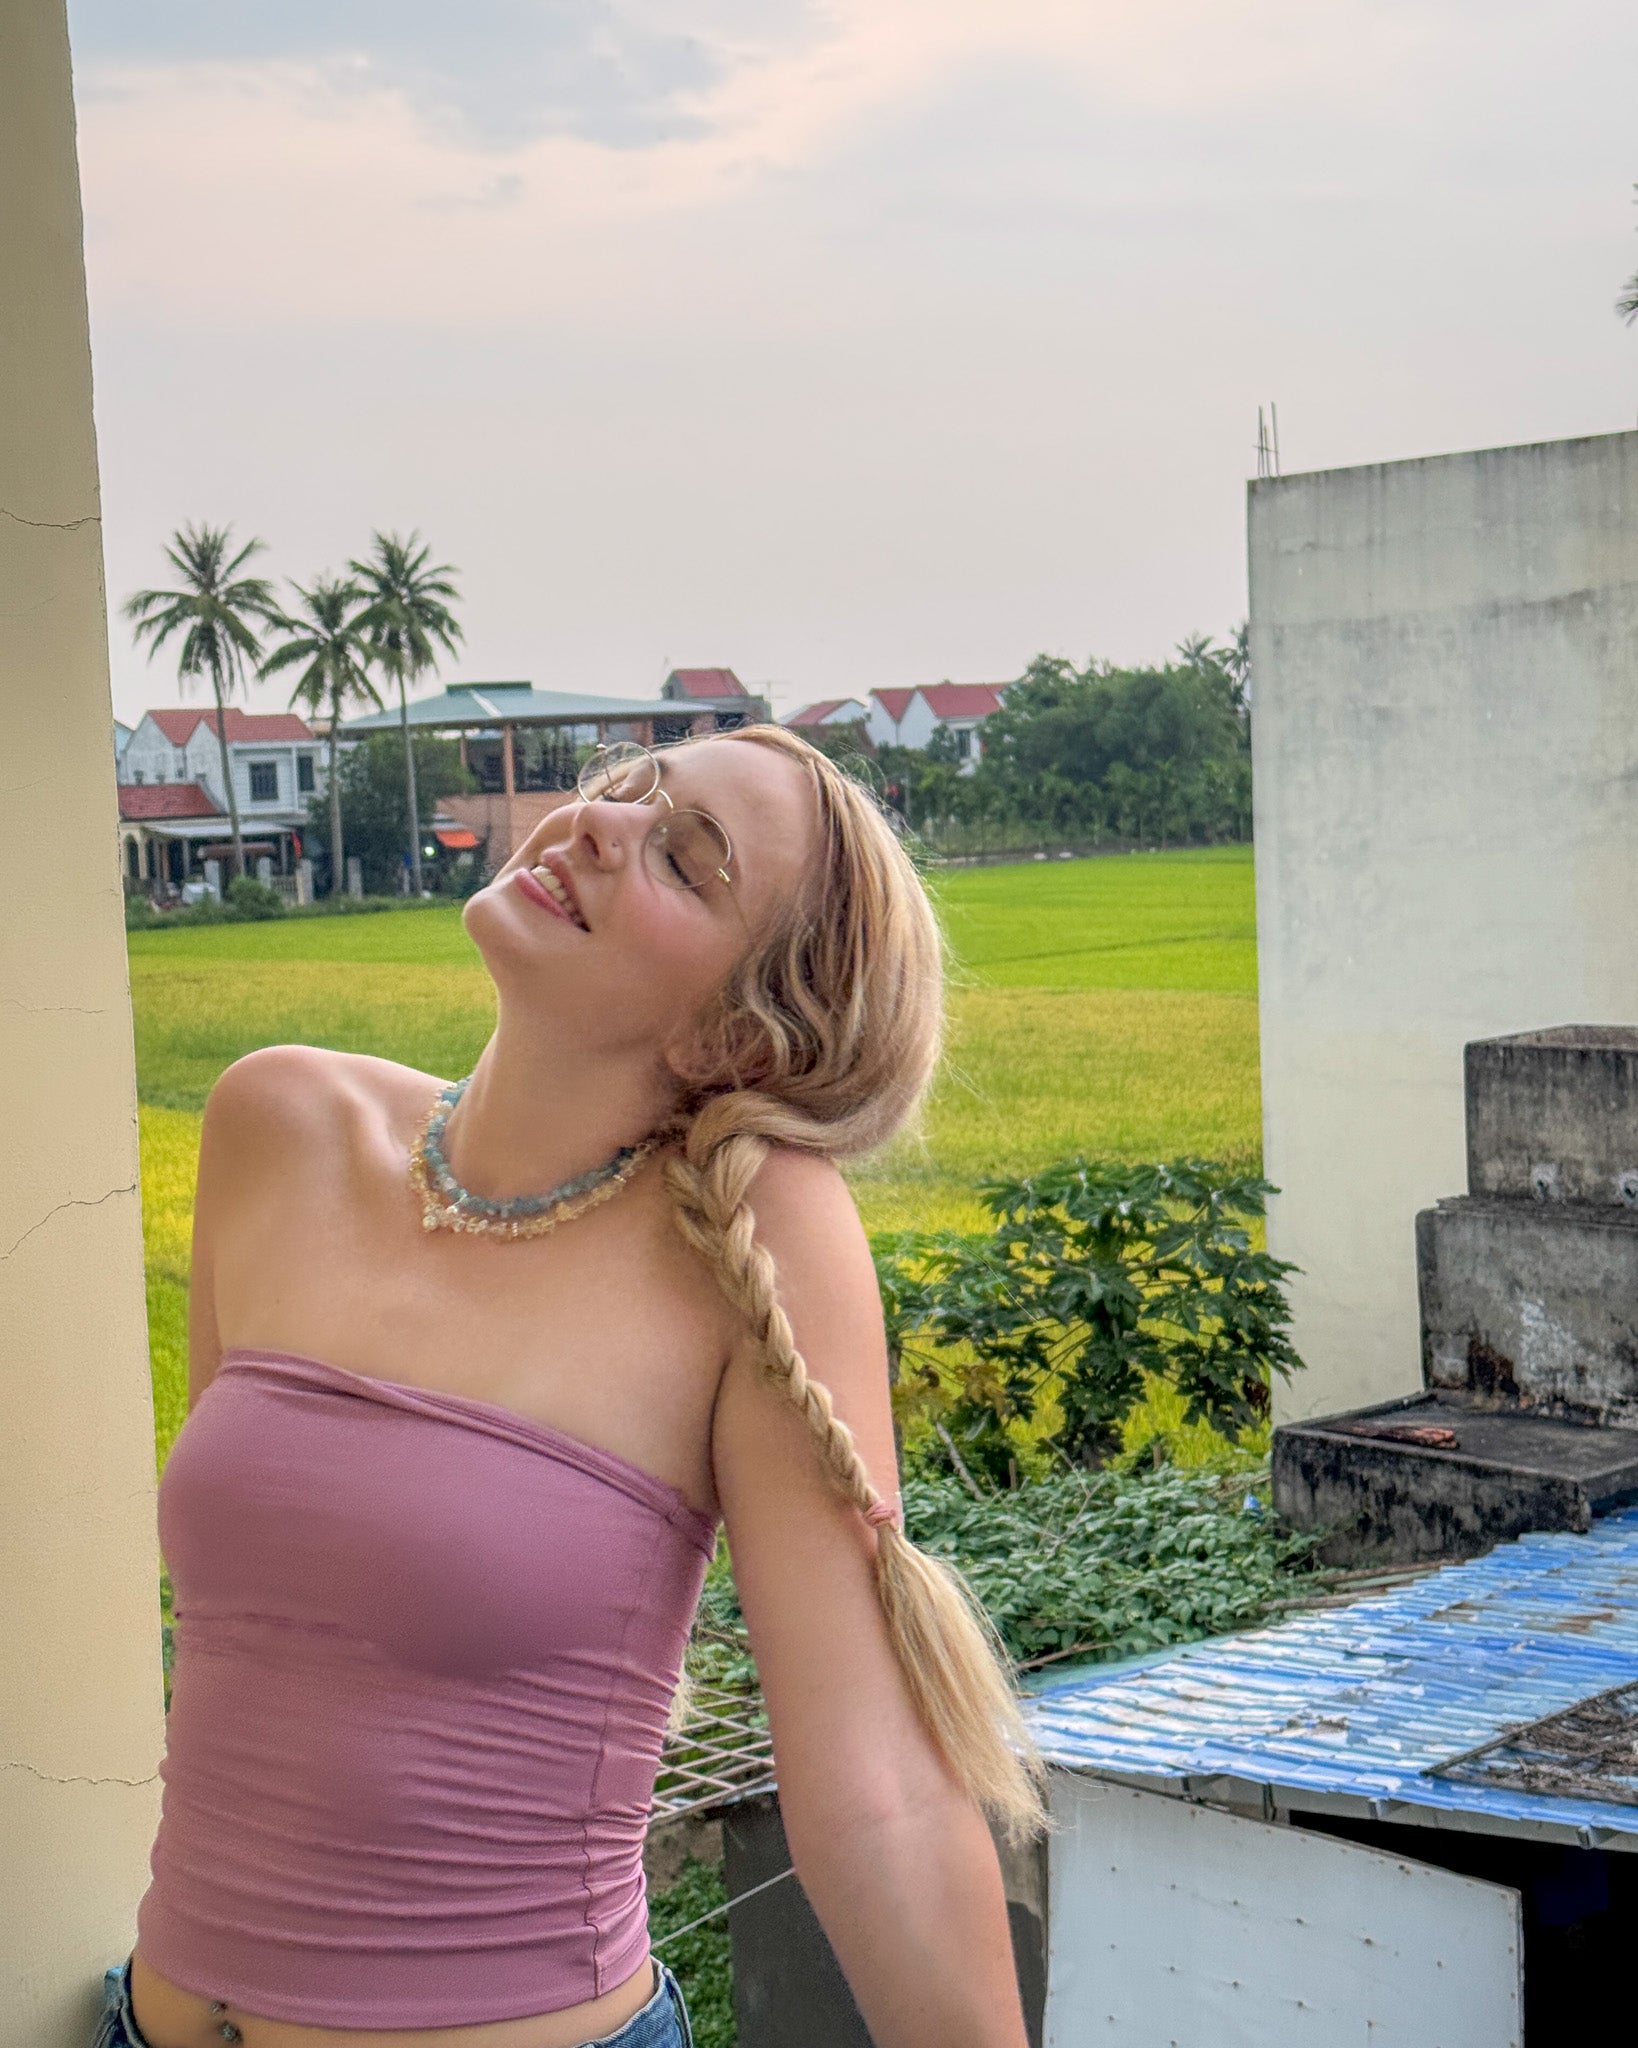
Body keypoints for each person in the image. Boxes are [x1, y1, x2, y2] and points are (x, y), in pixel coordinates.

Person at [102, 726, 1049, 2048]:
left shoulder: (756, 1237)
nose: (598, 826)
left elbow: (876, 1785)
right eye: (629, 791)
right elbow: (248, 1630)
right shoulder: (278, 1122)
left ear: (742, 1029)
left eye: (687, 859)